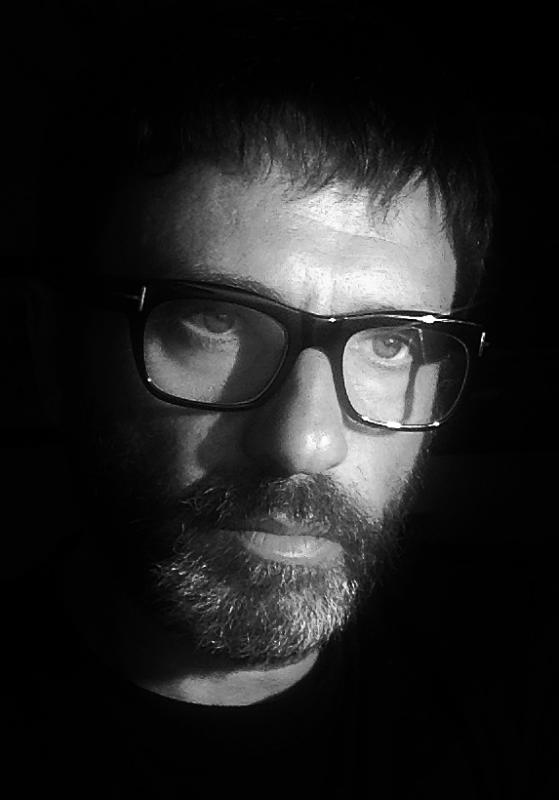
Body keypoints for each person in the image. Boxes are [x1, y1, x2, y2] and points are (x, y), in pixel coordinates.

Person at [7, 8, 552, 799]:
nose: (305, 442)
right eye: (214, 320)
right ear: (49, 346)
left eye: (390, 342)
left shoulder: (517, 676)